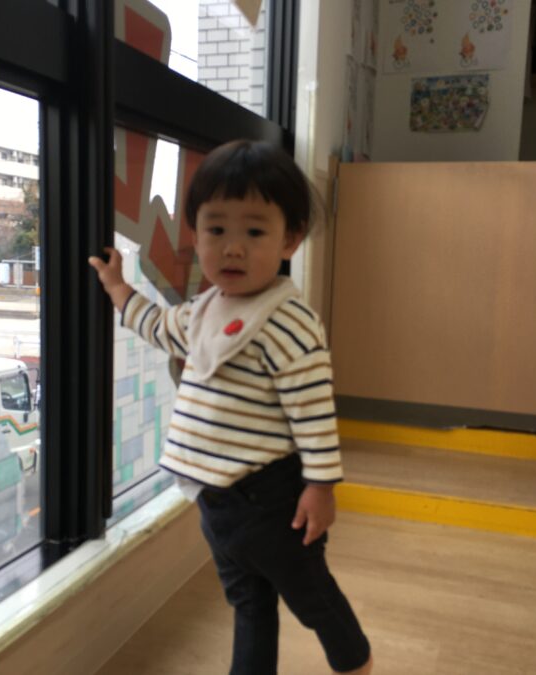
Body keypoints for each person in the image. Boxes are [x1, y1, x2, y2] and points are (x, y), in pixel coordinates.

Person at [89, 140, 373, 675]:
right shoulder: (203, 308)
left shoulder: (289, 321)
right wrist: (117, 287)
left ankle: (355, 662)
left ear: (290, 238)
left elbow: (313, 412)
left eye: (254, 232)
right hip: (214, 502)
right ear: (196, 236)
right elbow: (160, 327)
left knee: (310, 596)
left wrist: (321, 487)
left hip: (270, 500)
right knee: (248, 603)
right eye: (216, 230)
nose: (233, 248)